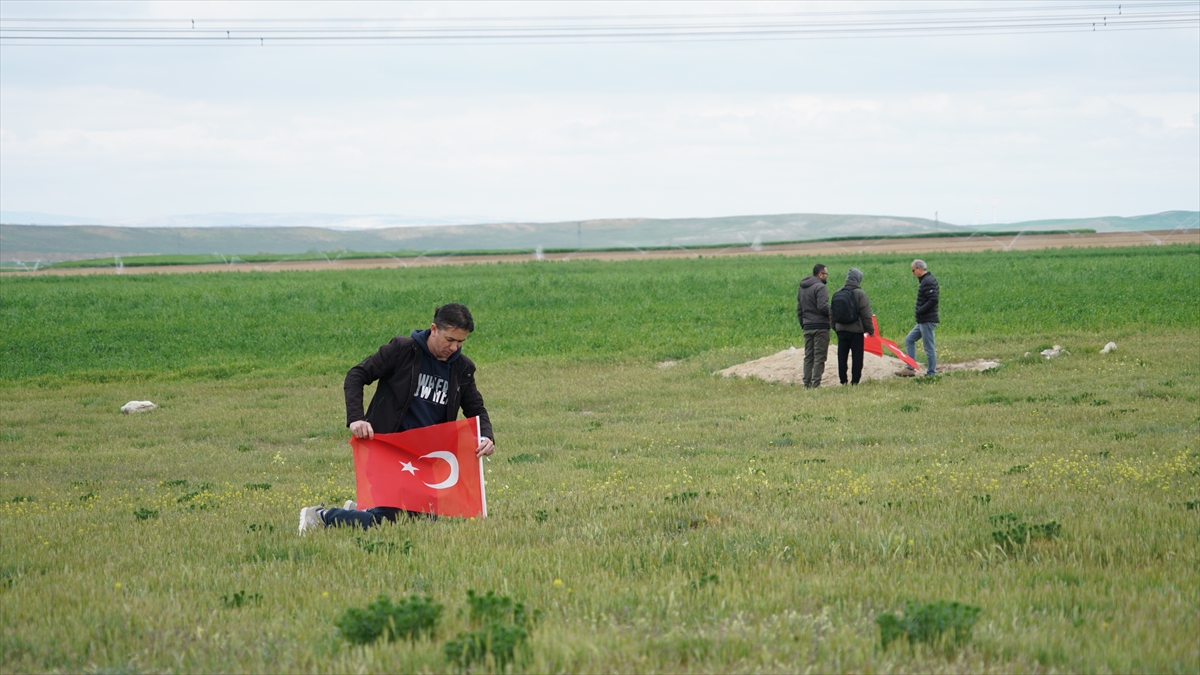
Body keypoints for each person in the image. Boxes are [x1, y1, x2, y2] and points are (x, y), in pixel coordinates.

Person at [299, 303, 495, 534]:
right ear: (434, 329)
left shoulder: (462, 368)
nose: (454, 347)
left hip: (426, 460)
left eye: (460, 342)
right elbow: (356, 375)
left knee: (422, 523)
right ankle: (321, 516)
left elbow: (476, 409)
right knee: (390, 523)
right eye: (450, 340)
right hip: (387, 451)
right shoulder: (402, 350)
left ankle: (363, 511)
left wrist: (486, 437)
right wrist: (356, 418)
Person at [832, 268, 874, 385]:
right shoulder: (860, 294)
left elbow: (832, 314)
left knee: (842, 357)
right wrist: (870, 330)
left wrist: (836, 328)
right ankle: (854, 382)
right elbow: (866, 315)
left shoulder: (837, 293)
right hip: (856, 331)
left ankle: (843, 380)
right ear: (858, 279)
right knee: (857, 357)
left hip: (841, 330)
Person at [897, 259, 939, 377]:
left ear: (919, 269)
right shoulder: (925, 281)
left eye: (913, 270)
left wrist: (920, 311)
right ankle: (910, 368)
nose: (912, 273)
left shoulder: (928, 281)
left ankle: (931, 373)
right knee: (909, 339)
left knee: (928, 347)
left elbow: (933, 299)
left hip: (927, 320)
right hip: (922, 320)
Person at [797, 264, 831, 388]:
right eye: (826, 274)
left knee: (808, 356)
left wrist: (803, 324)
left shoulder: (802, 288)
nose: (827, 276)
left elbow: (799, 309)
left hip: (807, 326)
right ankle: (816, 385)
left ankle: (806, 384)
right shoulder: (820, 287)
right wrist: (834, 312)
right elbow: (822, 306)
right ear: (820, 274)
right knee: (819, 356)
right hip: (821, 326)